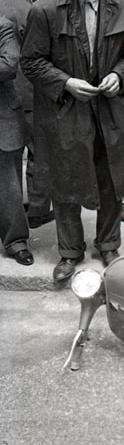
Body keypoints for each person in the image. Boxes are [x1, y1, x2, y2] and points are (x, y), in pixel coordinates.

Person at [20, 0, 124, 282]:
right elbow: (31, 62)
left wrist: (119, 74)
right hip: (66, 112)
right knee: (66, 179)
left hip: (110, 111)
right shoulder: (45, 10)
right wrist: (66, 83)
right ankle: (70, 251)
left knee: (112, 178)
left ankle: (108, 244)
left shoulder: (123, 8)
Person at [0, 0, 54, 229]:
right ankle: (37, 210)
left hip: (6, 96)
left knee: (8, 164)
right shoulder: (33, 11)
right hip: (30, 94)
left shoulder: (0, 4)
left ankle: (12, 213)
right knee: (39, 154)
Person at [0, 16, 33, 265]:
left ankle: (16, 241)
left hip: (3, 117)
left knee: (8, 182)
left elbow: (9, 63)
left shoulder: (3, 25)